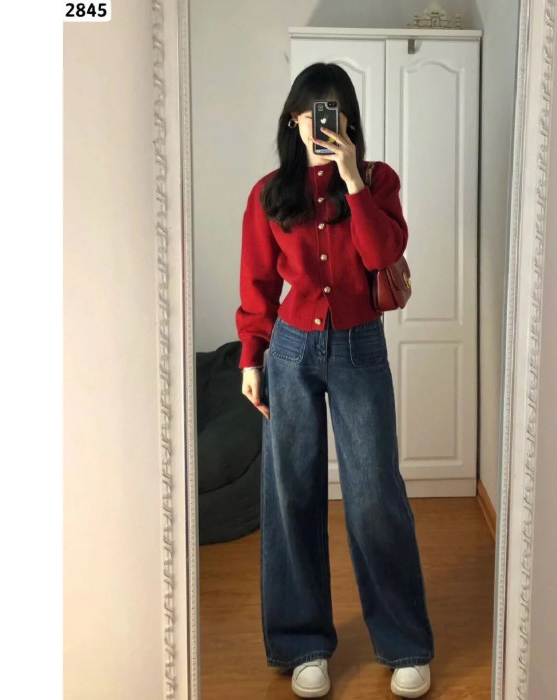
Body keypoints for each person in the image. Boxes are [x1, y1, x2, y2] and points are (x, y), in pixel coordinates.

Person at [235, 62, 434, 699]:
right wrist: (250, 358)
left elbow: (383, 256)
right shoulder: (269, 194)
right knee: (291, 494)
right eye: (311, 113)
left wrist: (352, 181)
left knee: (375, 494)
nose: (322, 125)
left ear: (348, 121)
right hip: (291, 350)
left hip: (359, 347)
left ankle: (404, 643)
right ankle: (302, 645)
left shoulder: (377, 181)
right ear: (293, 120)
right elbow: (257, 284)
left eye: (335, 113)